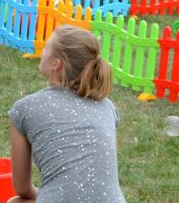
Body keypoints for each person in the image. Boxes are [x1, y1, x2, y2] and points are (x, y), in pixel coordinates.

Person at [8, 25, 126, 203]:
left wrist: (50, 194)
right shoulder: (107, 107)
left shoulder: (24, 108)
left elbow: (22, 188)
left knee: (16, 202)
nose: (42, 48)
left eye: (46, 45)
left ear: (56, 63)